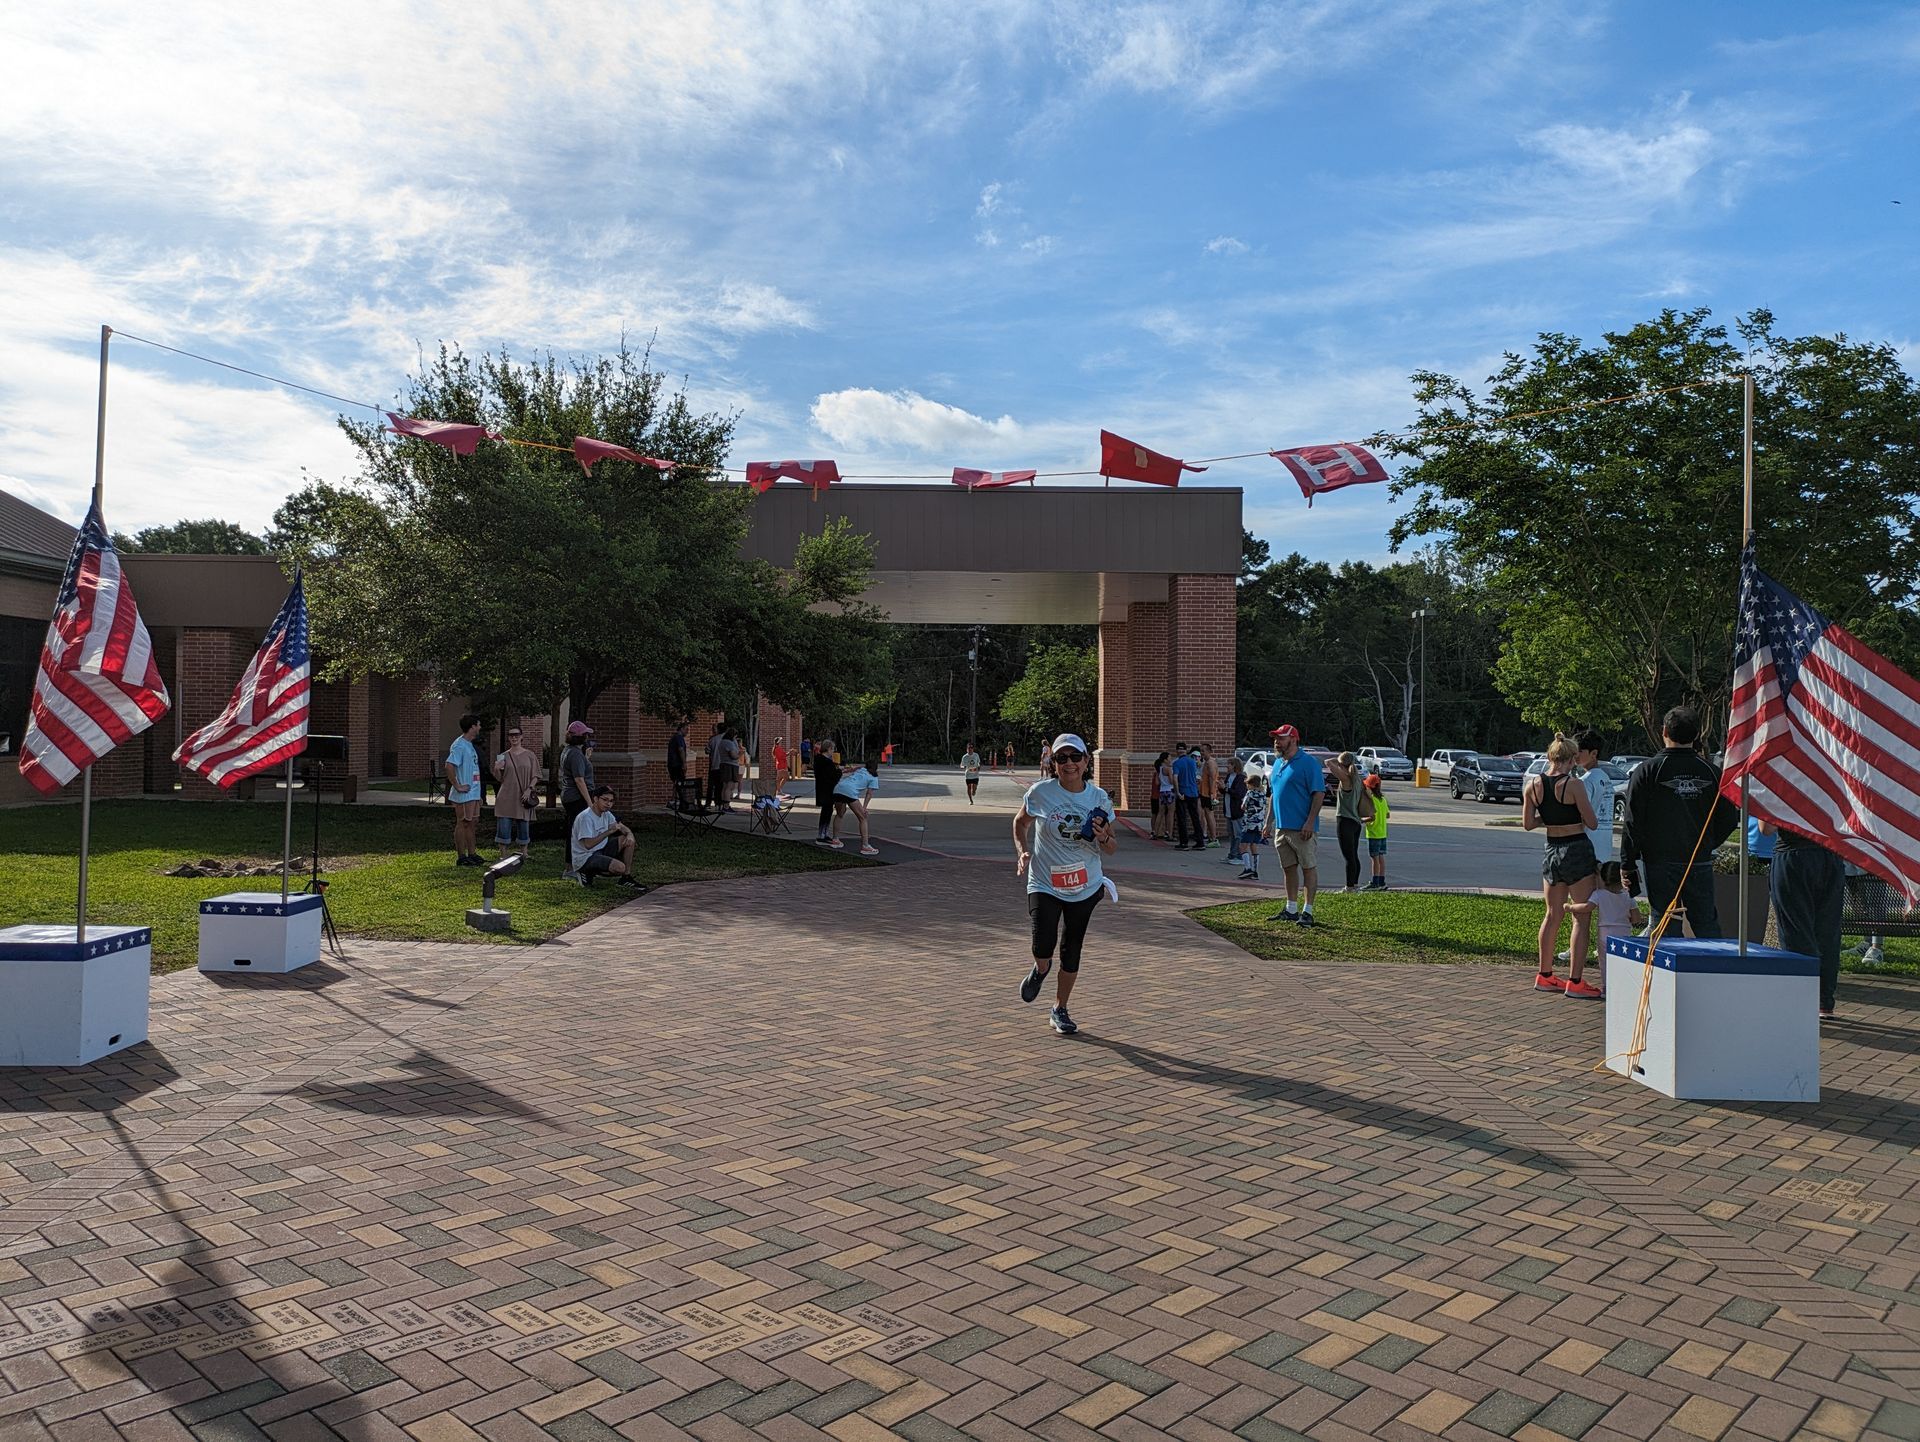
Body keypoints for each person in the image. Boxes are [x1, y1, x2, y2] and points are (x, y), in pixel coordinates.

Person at [1012, 732, 1116, 1037]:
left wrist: (1103, 837)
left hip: (1085, 885)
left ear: (1086, 761)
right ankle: (1041, 968)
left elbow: (1112, 848)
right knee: (1042, 946)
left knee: (1071, 950)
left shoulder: (1099, 799)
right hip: (1045, 882)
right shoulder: (1040, 793)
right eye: (1061, 758)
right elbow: (1020, 822)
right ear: (1053, 763)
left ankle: (1060, 1008)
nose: (1069, 763)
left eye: (1075, 757)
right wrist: (1022, 851)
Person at [1620, 706, 1738, 938]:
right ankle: (1711, 962)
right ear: (1697, 735)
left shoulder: (1647, 771)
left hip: (1660, 861)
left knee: (1666, 922)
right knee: (1706, 924)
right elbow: (1730, 819)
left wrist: (1628, 861)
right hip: (1698, 861)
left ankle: (1668, 962)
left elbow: (1633, 821)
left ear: (1664, 731)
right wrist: (1706, 843)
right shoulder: (1712, 772)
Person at [1523, 735, 1602, 997]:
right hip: (1576, 848)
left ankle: (1545, 975)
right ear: (1572, 759)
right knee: (1581, 915)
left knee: (1552, 914)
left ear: (1550, 757)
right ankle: (1575, 981)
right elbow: (1592, 823)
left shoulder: (1533, 785)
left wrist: (1549, 817)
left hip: (1551, 849)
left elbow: (1528, 823)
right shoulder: (1574, 784)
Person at [1765, 822, 1845, 1019]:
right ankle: (1824, 1001)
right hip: (1831, 855)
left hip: (1793, 855)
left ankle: (1800, 1000)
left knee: (1795, 932)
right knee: (1827, 933)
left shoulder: (1785, 796)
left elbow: (1766, 828)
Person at [1263, 725, 1325, 926]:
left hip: (1302, 828)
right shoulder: (1278, 763)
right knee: (1288, 868)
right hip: (1282, 827)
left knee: (1308, 867)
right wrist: (1268, 822)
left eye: (1281, 738)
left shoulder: (1308, 763)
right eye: (1275, 738)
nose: (1277, 742)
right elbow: (1274, 795)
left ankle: (1308, 912)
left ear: (1294, 739)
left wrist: (1310, 821)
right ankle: (1291, 909)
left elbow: (1319, 793)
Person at [570, 785, 646, 890]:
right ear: (595, 799)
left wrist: (630, 835)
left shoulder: (607, 814)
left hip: (601, 850)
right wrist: (609, 831)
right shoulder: (586, 817)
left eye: (611, 801)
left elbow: (622, 827)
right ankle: (586, 871)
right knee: (620, 868)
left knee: (627, 840)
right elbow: (588, 844)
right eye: (605, 800)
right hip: (586, 857)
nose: (608, 804)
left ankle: (626, 878)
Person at [491, 724, 539, 860]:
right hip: (506, 795)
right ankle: (503, 854)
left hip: (523, 795)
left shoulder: (530, 755)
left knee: (524, 824)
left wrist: (529, 789)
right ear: (508, 738)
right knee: (503, 824)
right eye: (511, 735)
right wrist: (496, 769)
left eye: (516, 735)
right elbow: (499, 779)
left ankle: (524, 852)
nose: (514, 738)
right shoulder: (503, 756)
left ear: (521, 736)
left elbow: (536, 775)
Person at [1582, 861, 1646, 961]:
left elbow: (1587, 907)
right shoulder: (1628, 896)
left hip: (1604, 932)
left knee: (1604, 960)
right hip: (1624, 932)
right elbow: (1636, 918)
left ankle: (1604, 972)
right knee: (1621, 960)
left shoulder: (1598, 894)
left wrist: (1570, 907)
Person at [445, 714, 486, 867]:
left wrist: (478, 795)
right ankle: (461, 856)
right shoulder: (459, 745)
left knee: (472, 822)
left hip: (473, 793)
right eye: (478, 725)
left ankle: (472, 854)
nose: (480, 728)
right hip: (464, 794)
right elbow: (449, 765)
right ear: (472, 727)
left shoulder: (469, 745)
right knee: (463, 822)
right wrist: (457, 785)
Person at [560, 721, 596, 877]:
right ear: (580, 737)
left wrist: (586, 758)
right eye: (585, 734)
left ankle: (574, 866)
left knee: (574, 831)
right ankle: (571, 868)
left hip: (569, 796)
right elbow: (579, 780)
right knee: (576, 833)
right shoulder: (575, 754)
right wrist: (589, 802)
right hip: (577, 798)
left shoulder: (569, 751)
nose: (587, 737)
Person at [1328, 750, 1366, 892]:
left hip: (1345, 820)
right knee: (1354, 855)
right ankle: (1354, 884)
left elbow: (1327, 763)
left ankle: (1349, 887)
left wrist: (1337, 761)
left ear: (1342, 765)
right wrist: (1343, 761)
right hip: (1355, 821)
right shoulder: (1357, 779)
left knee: (1348, 856)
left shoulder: (1345, 779)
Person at [830, 759, 881, 855]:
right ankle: (865, 846)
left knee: (840, 814)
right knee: (863, 818)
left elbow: (855, 768)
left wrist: (849, 769)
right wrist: (864, 808)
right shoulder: (874, 777)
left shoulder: (861, 770)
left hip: (838, 788)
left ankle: (835, 839)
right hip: (849, 791)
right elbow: (869, 794)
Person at [1237, 772, 1269, 881]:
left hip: (1250, 823)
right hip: (1259, 824)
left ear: (1251, 784)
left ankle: (1247, 869)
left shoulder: (1250, 793)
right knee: (1254, 845)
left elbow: (1243, 806)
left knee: (1243, 846)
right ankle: (1255, 871)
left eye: (1248, 784)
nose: (1247, 786)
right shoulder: (1263, 794)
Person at [1171, 745, 1203, 850]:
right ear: (1186, 751)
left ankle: (1184, 843)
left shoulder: (1176, 763)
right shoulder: (1192, 762)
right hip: (1193, 792)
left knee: (1182, 818)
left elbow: (1175, 778)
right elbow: (1197, 776)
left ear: (1177, 751)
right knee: (1195, 818)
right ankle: (1200, 842)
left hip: (1183, 793)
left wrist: (1177, 792)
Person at [812, 739, 843, 845]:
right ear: (828, 749)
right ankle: (822, 835)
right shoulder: (828, 763)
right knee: (827, 813)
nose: (833, 751)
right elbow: (834, 777)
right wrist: (839, 771)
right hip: (828, 790)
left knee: (826, 812)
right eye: (832, 749)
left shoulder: (818, 760)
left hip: (821, 788)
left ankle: (823, 833)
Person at [1362, 773, 1390, 889]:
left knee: (1374, 858)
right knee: (1381, 857)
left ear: (1370, 787)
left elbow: (1372, 817)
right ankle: (1382, 881)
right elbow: (1387, 815)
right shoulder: (1382, 799)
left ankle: (1375, 882)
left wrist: (1361, 820)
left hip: (1373, 833)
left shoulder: (1371, 800)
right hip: (1382, 833)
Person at [1222, 756, 1248, 866]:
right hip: (1229, 809)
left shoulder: (1241, 778)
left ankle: (1239, 855)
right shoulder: (1229, 776)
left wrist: (1226, 789)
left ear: (1234, 766)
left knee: (1238, 834)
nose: (1227, 766)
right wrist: (1222, 788)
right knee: (1231, 834)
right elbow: (1226, 790)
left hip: (1236, 810)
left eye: (1229, 764)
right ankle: (1232, 854)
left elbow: (1239, 794)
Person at [1198, 743, 1221, 844]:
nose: (1201, 753)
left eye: (1203, 751)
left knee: (1209, 815)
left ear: (1209, 751)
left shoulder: (1210, 763)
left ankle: (1214, 839)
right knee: (1207, 815)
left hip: (1208, 793)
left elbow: (1212, 778)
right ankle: (1212, 838)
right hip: (1204, 792)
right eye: (1201, 751)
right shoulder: (1206, 762)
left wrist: (1212, 793)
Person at [706, 723, 731, 810]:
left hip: (714, 765)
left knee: (712, 785)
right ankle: (720, 803)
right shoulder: (728, 739)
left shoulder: (713, 739)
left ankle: (710, 803)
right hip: (725, 766)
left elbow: (707, 751)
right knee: (722, 786)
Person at [1150, 751, 1174, 839]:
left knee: (1160, 813)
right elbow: (1171, 781)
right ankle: (1169, 833)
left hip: (1162, 791)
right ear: (1165, 760)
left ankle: (1155, 832)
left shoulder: (1159, 769)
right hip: (1170, 790)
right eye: (1169, 758)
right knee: (1170, 813)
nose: (1170, 760)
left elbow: (1157, 782)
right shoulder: (1169, 769)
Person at [666, 719, 690, 801]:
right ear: (681, 729)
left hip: (672, 764)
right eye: (686, 729)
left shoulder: (674, 738)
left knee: (676, 783)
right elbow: (681, 749)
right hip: (677, 764)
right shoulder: (679, 738)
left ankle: (673, 800)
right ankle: (680, 800)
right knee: (679, 782)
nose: (687, 732)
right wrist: (684, 763)